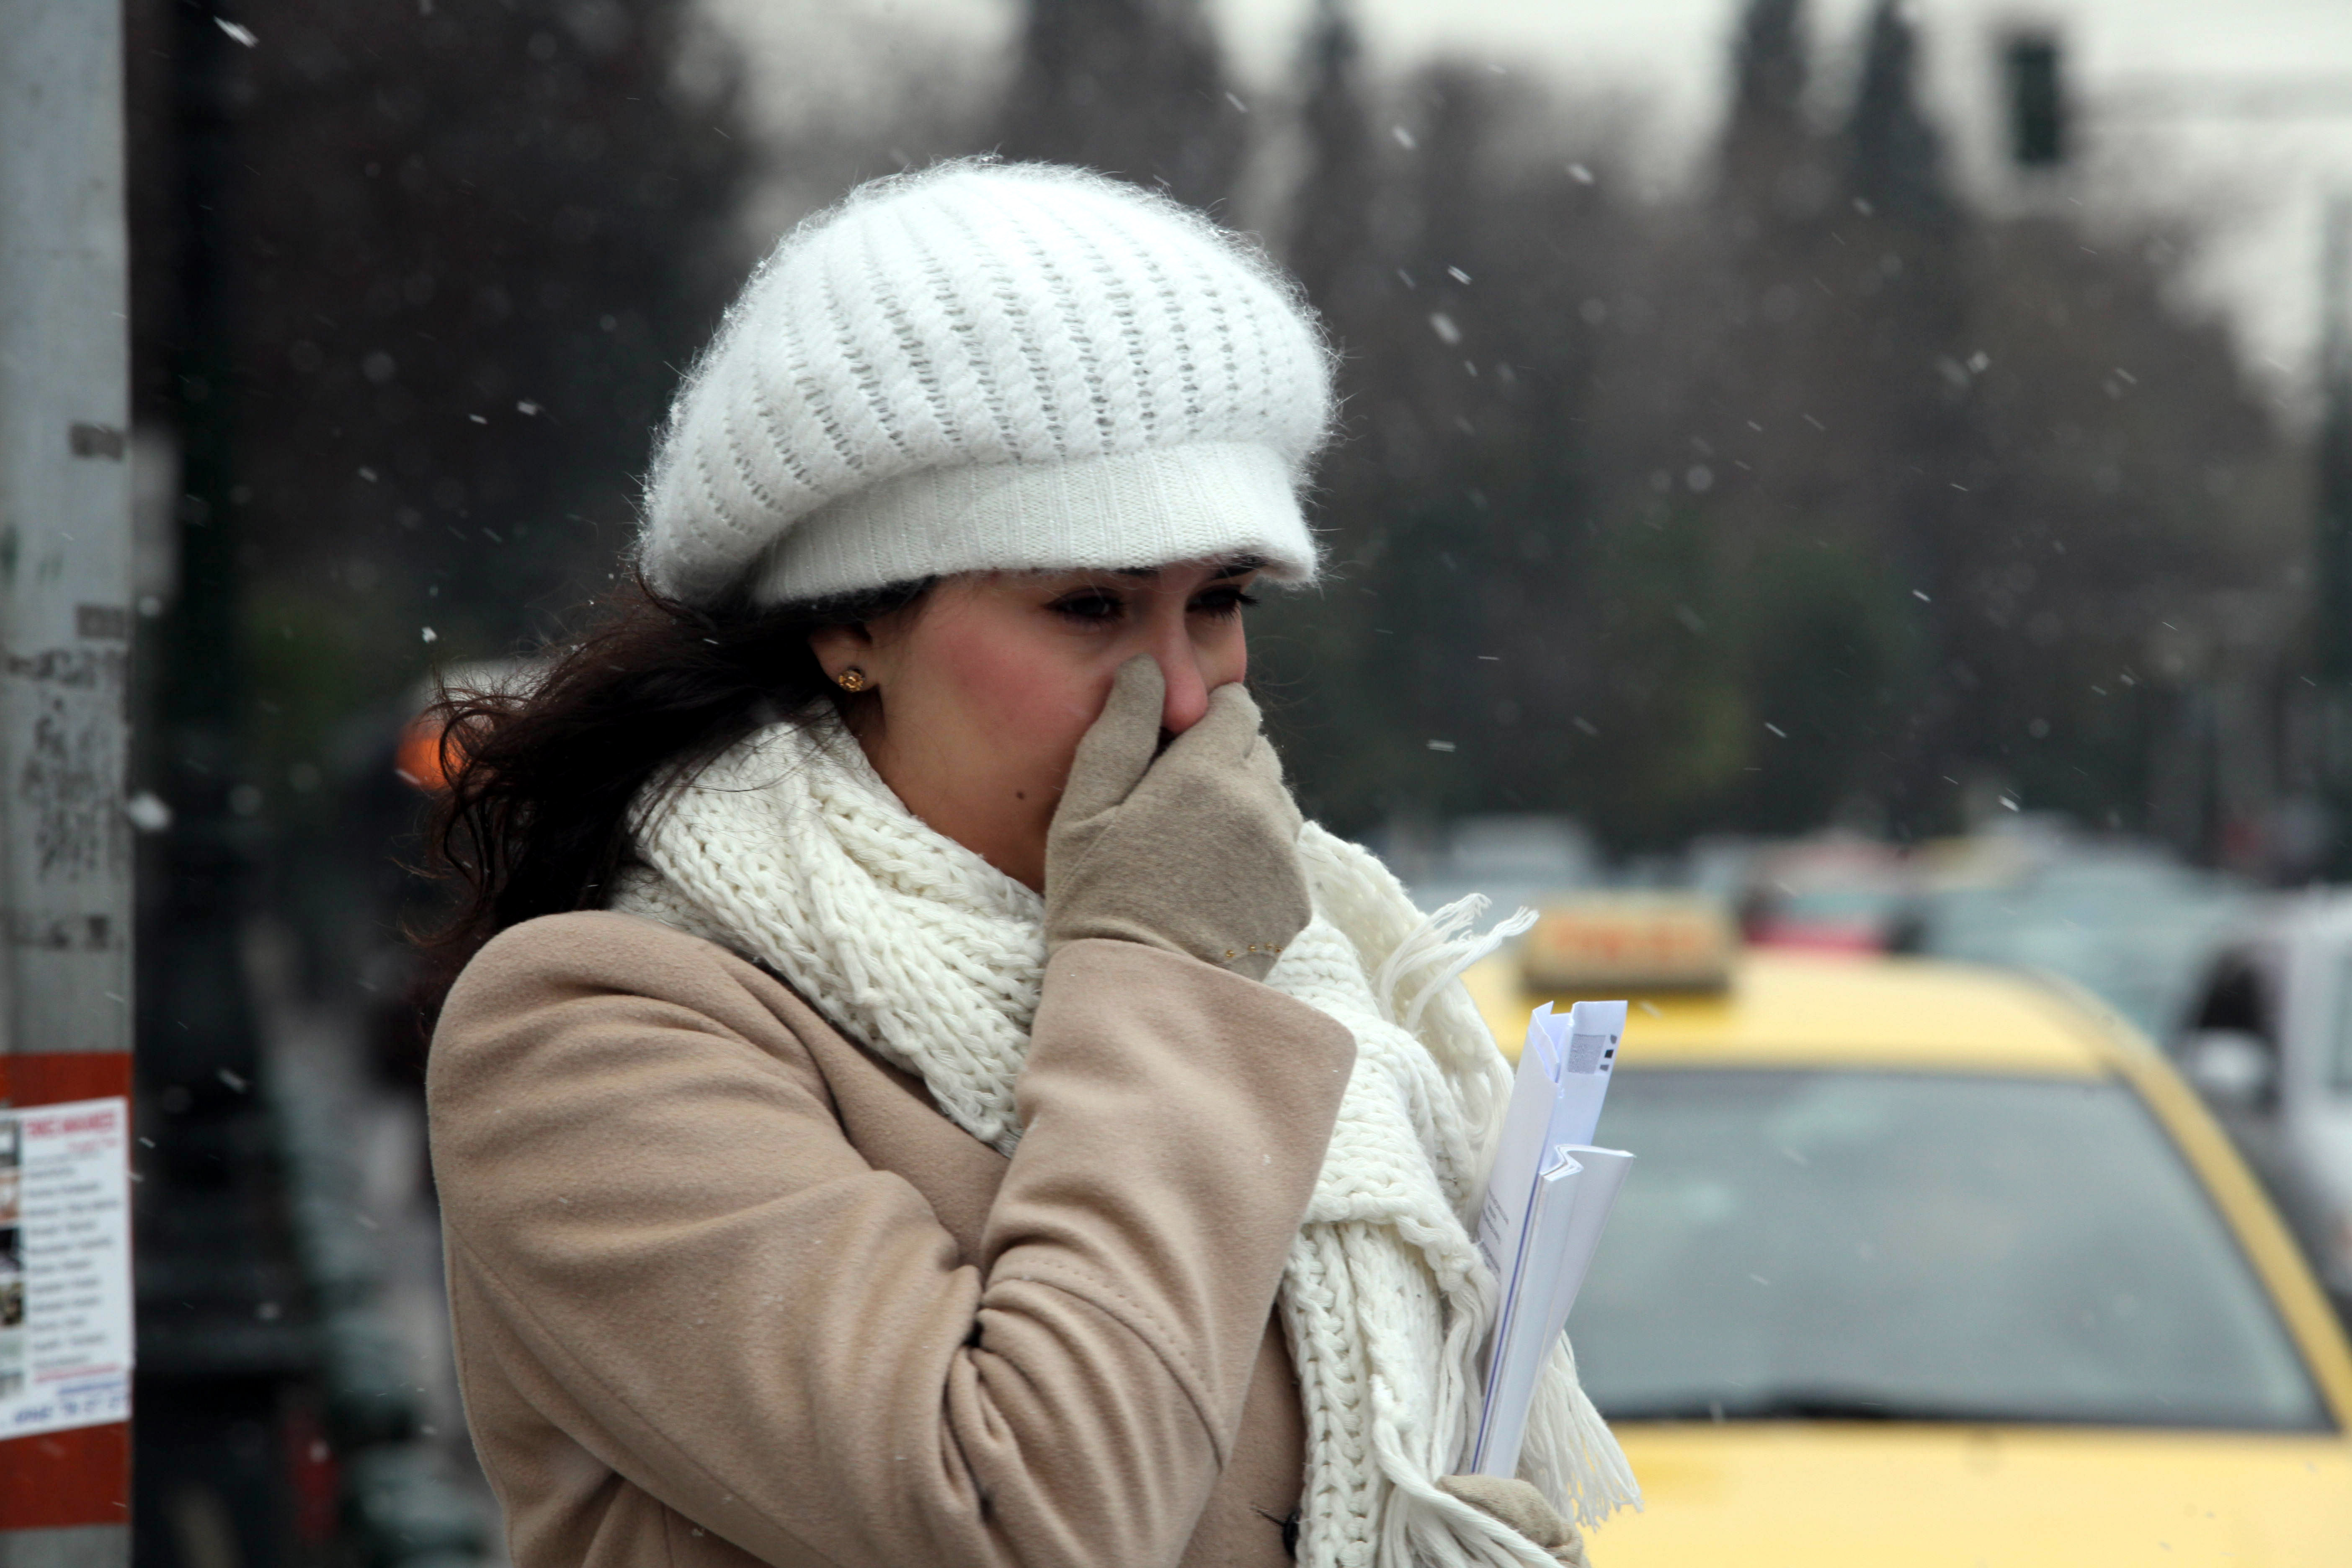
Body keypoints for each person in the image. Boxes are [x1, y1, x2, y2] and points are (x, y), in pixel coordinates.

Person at [422, 160, 1635, 1568]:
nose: (1186, 695)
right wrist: (1161, 970)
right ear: (848, 628)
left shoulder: (1302, 991)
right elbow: (1027, 1523)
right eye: (1089, 606)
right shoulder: (591, 1034)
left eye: (1222, 602)